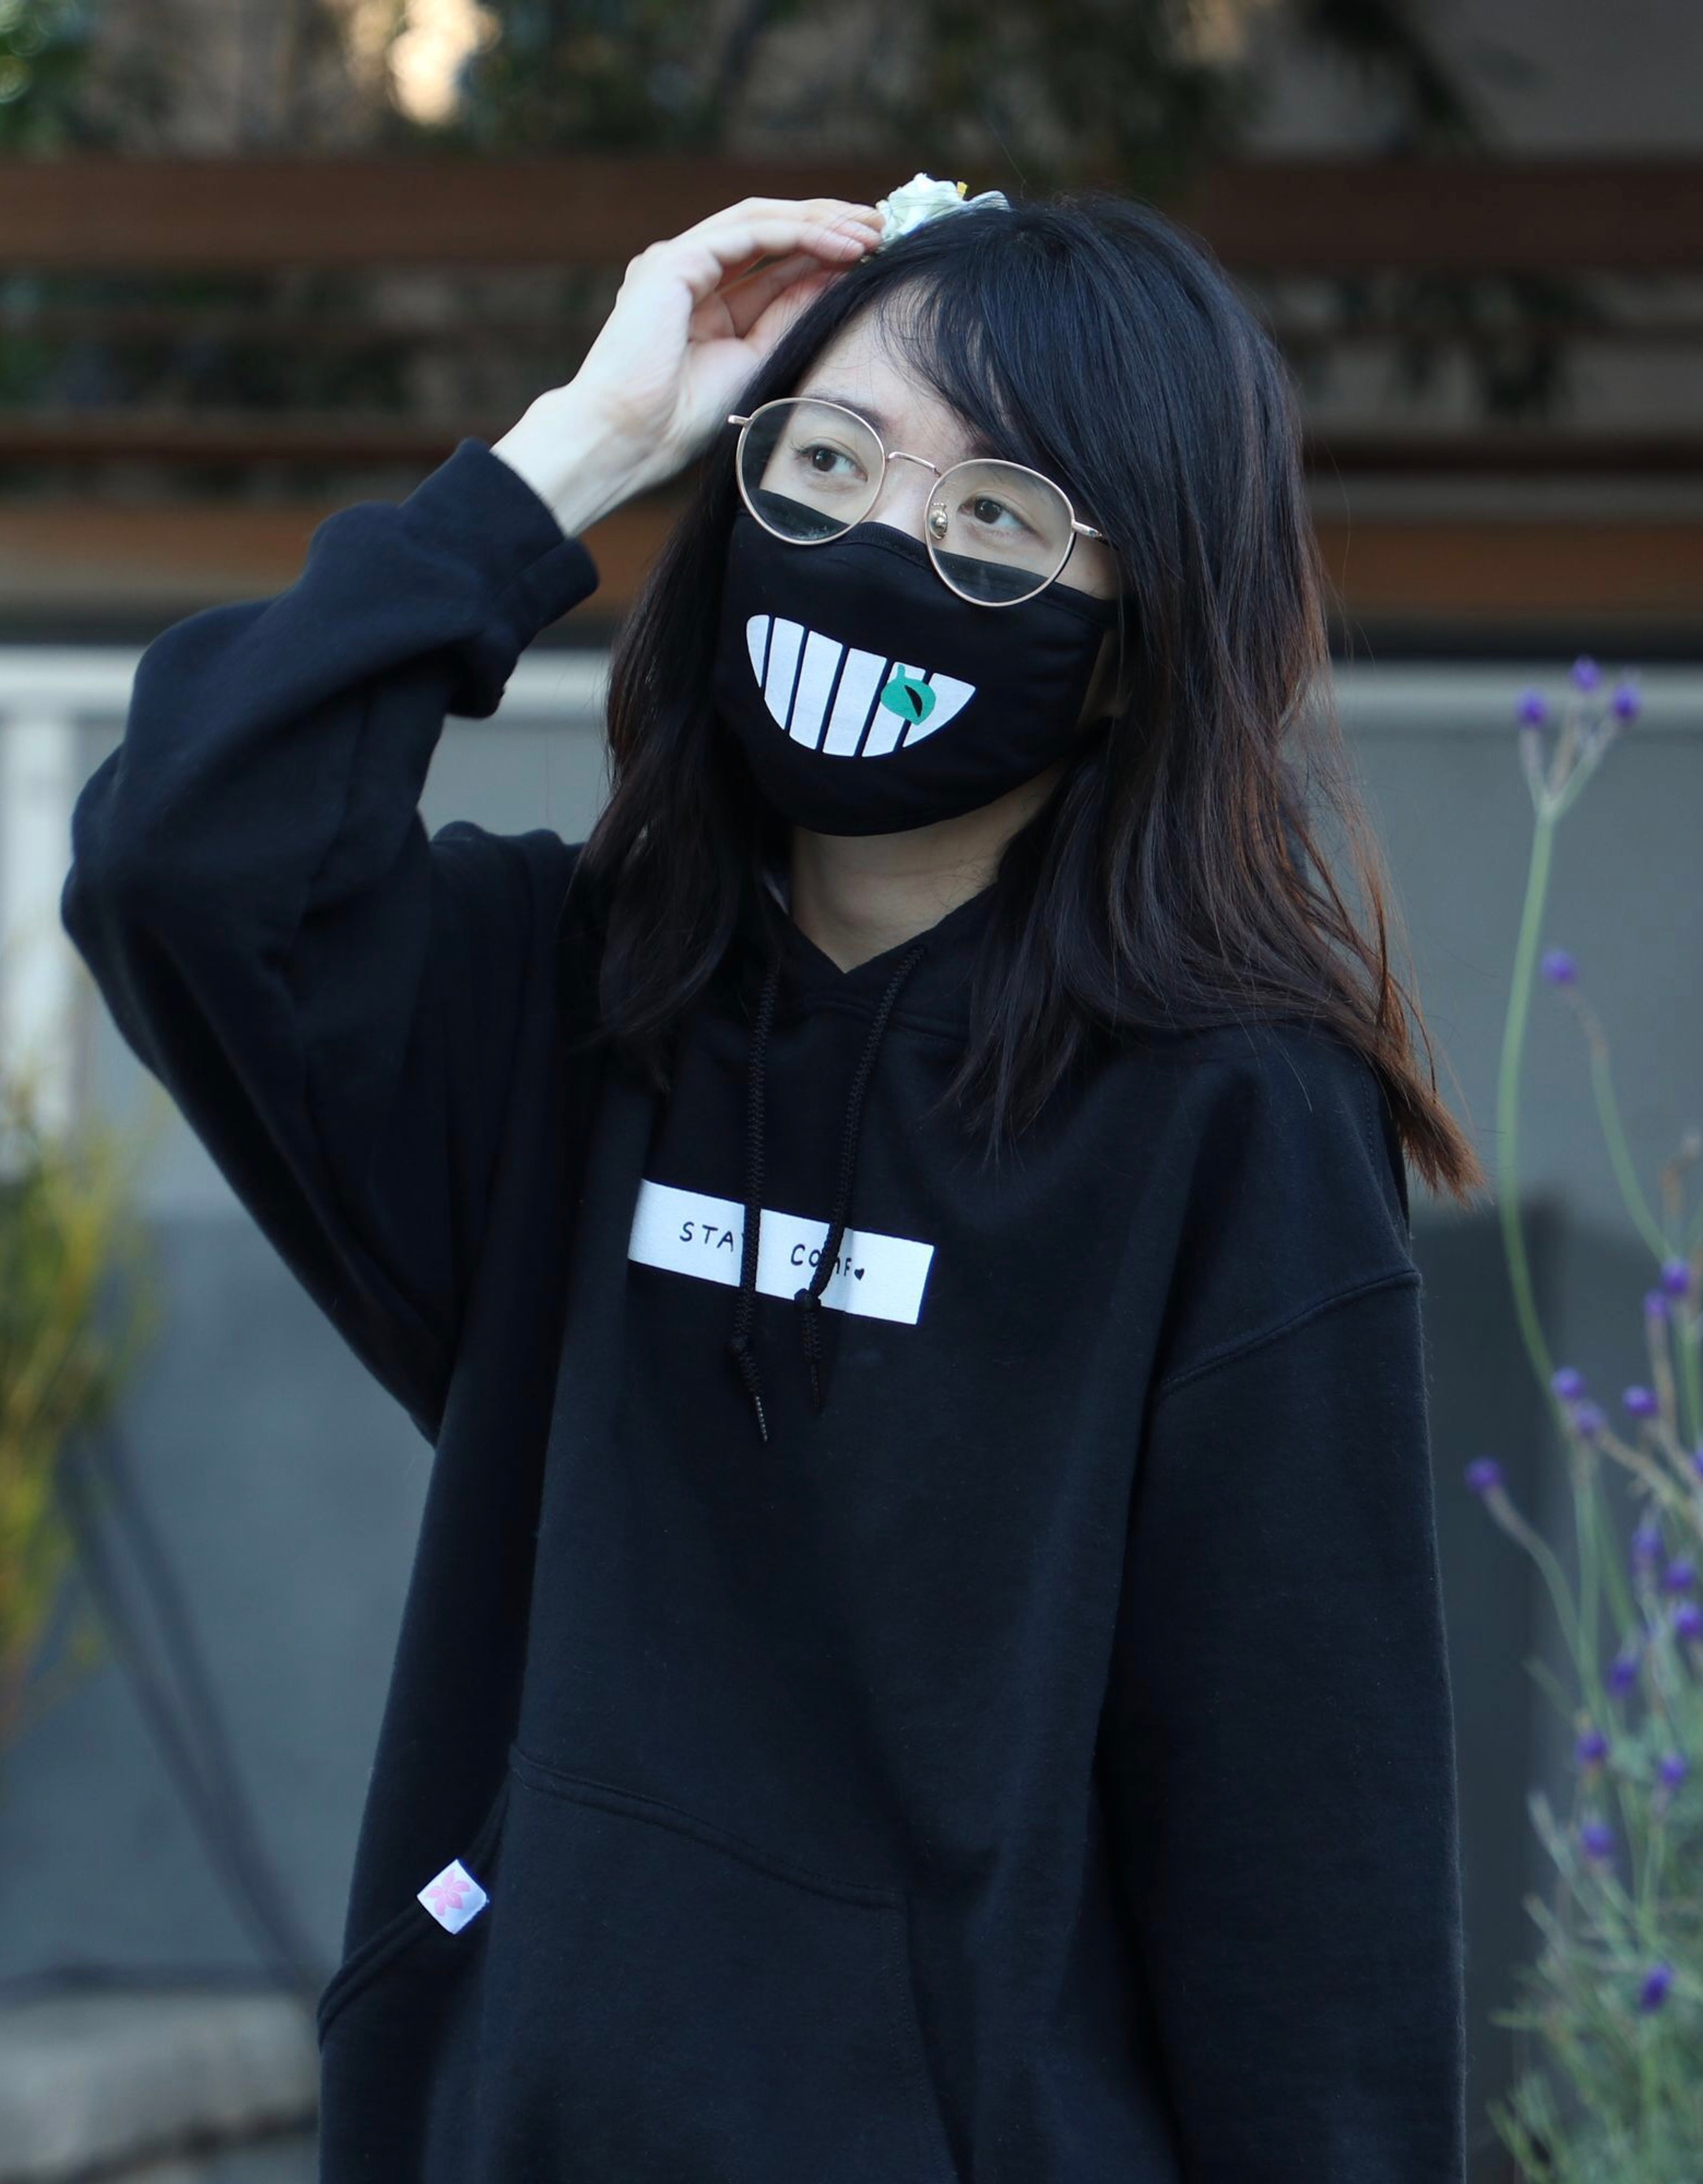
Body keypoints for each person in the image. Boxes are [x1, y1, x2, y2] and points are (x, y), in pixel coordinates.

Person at [62, 181, 1486, 2183]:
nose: (884, 545)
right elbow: (179, 859)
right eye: (827, 463)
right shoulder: (559, 1010)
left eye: (995, 516)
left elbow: (1307, 1863)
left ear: (1128, 641)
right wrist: (581, 443)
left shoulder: (1227, 1121)